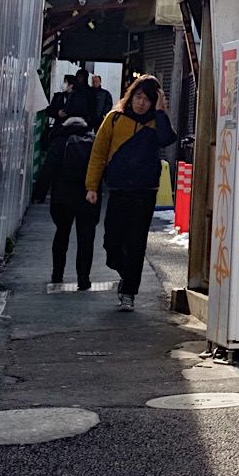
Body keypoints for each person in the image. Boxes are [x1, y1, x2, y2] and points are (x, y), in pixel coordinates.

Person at [85, 75, 175, 311]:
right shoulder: (114, 119)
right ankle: (126, 273)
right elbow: (98, 153)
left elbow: (167, 139)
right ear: (130, 97)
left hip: (145, 192)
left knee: (136, 243)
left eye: (147, 99)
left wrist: (161, 111)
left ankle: (129, 293)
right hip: (118, 189)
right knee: (111, 244)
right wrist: (92, 186)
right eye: (138, 97)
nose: (141, 103)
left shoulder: (156, 123)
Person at [34, 115, 100, 289]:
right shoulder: (94, 142)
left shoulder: (59, 141)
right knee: (86, 238)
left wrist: (39, 194)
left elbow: (48, 168)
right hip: (88, 197)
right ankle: (83, 279)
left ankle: (57, 274)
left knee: (62, 234)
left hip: (63, 197)